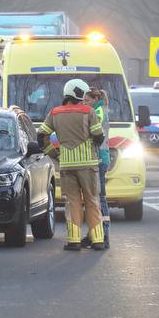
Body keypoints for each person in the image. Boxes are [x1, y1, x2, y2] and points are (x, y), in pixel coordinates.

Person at [39, 78, 106, 251]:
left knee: (72, 202)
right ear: (81, 94)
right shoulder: (88, 111)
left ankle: (74, 241)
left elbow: (41, 136)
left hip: (67, 165)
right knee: (92, 200)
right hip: (88, 165)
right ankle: (98, 240)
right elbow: (98, 135)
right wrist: (93, 145)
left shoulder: (55, 113)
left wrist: (54, 154)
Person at [85, 86, 112, 246]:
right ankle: (95, 234)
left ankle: (104, 235)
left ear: (95, 99)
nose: (85, 103)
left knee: (99, 199)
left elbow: (96, 133)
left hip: (100, 159)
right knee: (95, 198)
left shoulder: (98, 112)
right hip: (101, 158)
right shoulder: (99, 109)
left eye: (87, 100)